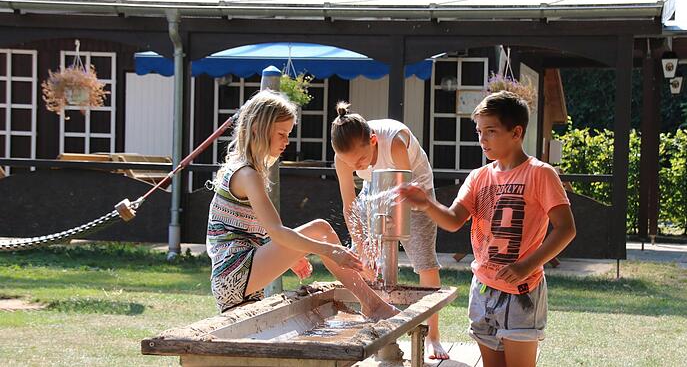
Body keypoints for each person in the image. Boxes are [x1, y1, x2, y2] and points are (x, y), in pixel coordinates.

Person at [399, 91, 576, 367]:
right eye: (479, 131)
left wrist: (526, 266)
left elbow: (566, 229)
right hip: (482, 290)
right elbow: (453, 220)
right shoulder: (478, 177)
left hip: (522, 293)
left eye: (490, 131)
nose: (482, 139)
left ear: (516, 132)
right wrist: (426, 203)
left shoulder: (540, 173)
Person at [206, 90, 398, 321]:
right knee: (322, 230)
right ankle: (372, 304)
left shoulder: (246, 170)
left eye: (288, 134)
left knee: (320, 230)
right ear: (258, 128)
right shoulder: (247, 174)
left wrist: (290, 256)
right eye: (281, 134)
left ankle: (372, 303)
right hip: (233, 275)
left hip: (236, 275)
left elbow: (253, 231)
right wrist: (331, 251)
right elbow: (276, 231)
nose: (287, 142)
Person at [331, 102, 449, 360]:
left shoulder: (394, 141)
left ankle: (433, 336)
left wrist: (382, 242)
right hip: (374, 190)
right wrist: (363, 250)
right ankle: (372, 316)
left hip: (414, 191)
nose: (358, 165)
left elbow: (401, 196)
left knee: (425, 263)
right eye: (353, 164)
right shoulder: (343, 160)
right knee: (357, 259)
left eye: (361, 160)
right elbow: (349, 206)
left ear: (373, 140)